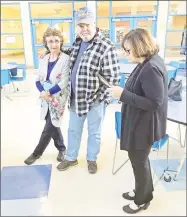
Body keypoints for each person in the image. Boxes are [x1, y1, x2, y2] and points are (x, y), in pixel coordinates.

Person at [108, 28, 168, 214]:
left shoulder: (150, 68)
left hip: (144, 126)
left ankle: (142, 200)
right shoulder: (147, 62)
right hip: (140, 123)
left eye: (127, 50)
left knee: (139, 162)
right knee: (140, 161)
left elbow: (154, 103)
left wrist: (123, 94)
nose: (124, 54)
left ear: (139, 47)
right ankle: (142, 190)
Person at [55, 7, 120, 174]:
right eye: (80, 25)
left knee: (94, 132)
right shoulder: (78, 42)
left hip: (95, 101)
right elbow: (70, 54)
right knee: (73, 130)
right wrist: (52, 51)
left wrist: (97, 98)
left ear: (94, 24)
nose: (84, 29)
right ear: (77, 27)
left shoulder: (106, 46)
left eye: (87, 25)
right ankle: (71, 158)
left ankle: (92, 158)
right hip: (75, 98)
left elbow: (113, 80)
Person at [24, 27, 70, 165]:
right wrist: (43, 93)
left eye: (56, 41)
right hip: (45, 97)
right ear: (46, 43)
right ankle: (62, 149)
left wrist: (49, 93)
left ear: (61, 42)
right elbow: (38, 79)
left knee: (49, 126)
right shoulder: (44, 58)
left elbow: (64, 81)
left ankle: (36, 153)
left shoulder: (66, 59)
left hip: (58, 98)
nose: (53, 44)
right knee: (53, 124)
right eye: (50, 41)